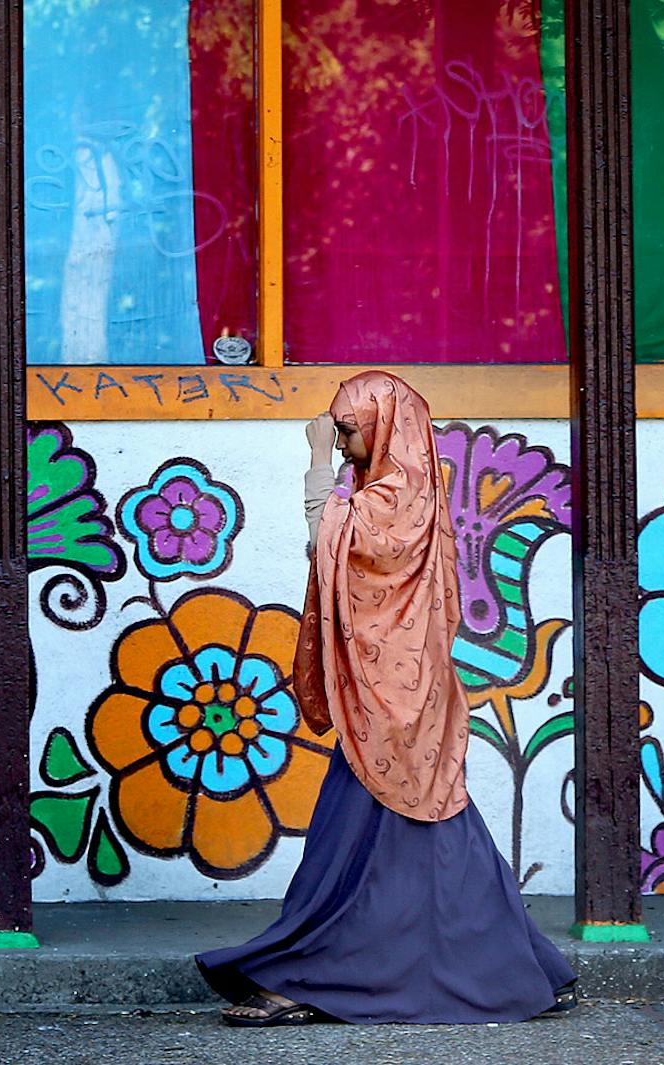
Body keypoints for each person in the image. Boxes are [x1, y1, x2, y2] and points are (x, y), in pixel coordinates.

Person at [196, 370, 578, 1027]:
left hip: (390, 697)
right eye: (339, 434)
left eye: (348, 431)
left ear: (382, 428)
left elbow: (329, 546)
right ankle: (526, 970)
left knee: (354, 839)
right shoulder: (401, 491)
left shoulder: (394, 495)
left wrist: (315, 462)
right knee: (432, 828)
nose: (342, 444)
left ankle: (302, 976)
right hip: (400, 691)